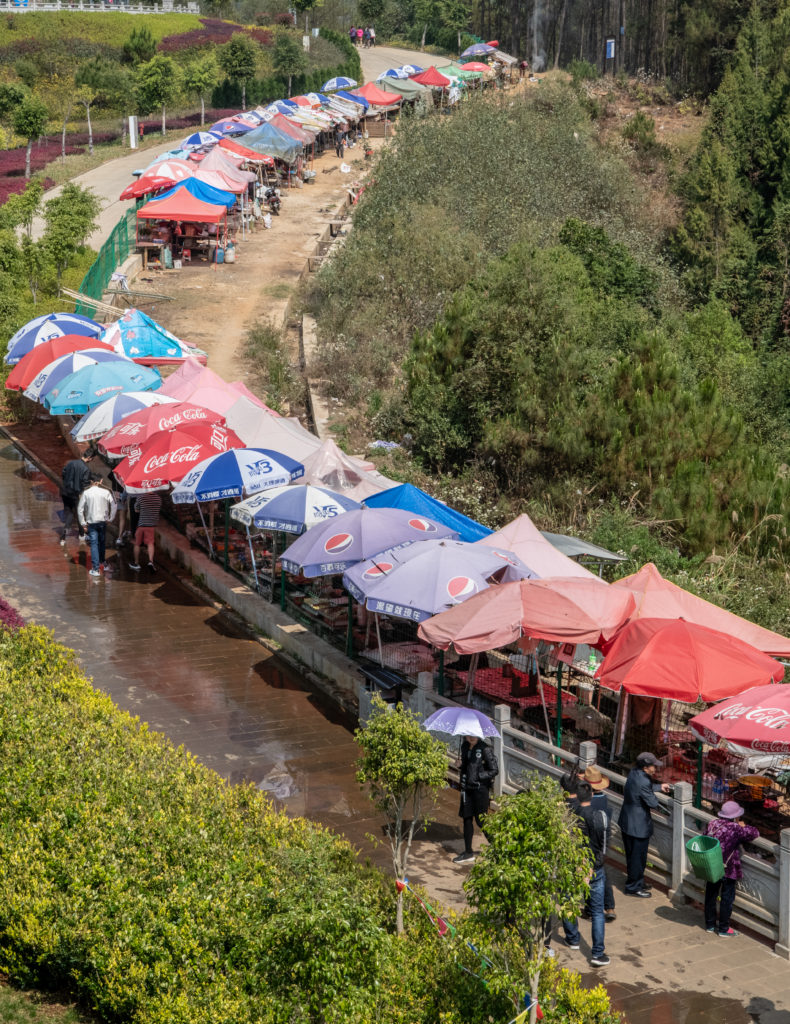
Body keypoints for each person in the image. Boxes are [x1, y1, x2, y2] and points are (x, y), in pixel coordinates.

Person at [563, 781, 610, 967]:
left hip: (573, 865)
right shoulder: (597, 816)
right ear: (591, 795)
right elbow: (601, 844)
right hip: (594, 868)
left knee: (568, 902)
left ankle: (572, 938)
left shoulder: (570, 816)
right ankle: (597, 953)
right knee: (597, 912)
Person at [618, 751, 671, 897]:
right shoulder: (644, 781)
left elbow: (643, 788)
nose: (655, 768)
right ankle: (633, 887)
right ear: (645, 767)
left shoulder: (634, 773)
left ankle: (637, 881)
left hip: (627, 821)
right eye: (653, 766)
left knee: (632, 856)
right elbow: (653, 802)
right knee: (637, 857)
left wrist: (659, 787)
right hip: (638, 826)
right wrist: (668, 813)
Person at [704, 801, 759, 937]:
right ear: (735, 817)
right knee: (727, 898)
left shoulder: (713, 824)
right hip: (727, 868)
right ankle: (723, 928)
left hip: (712, 864)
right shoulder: (735, 828)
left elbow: (705, 836)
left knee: (710, 894)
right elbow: (754, 833)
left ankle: (710, 924)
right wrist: (742, 825)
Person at [578, 765, 616, 920]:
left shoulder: (589, 803)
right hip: (602, 844)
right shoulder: (604, 799)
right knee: (603, 875)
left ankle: (591, 908)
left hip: (589, 845)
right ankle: (609, 907)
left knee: (589, 878)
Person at [454, 734, 498, 864]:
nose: (471, 738)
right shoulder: (465, 747)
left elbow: (494, 770)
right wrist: (460, 765)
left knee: (481, 820)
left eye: (474, 735)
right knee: (467, 819)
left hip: (480, 790)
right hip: (466, 788)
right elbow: (467, 766)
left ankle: (498, 847)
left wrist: (478, 776)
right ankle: (468, 852)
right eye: (468, 735)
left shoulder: (485, 749)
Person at [77, 474, 117, 578]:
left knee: (94, 544)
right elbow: (114, 505)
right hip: (103, 522)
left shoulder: (86, 493)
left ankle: (95, 568)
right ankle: (103, 562)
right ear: (101, 480)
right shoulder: (106, 492)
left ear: (91, 481)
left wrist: (83, 523)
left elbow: (80, 509)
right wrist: (110, 518)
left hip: (92, 522)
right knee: (102, 542)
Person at [60, 450, 93, 545]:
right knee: (79, 513)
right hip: (75, 494)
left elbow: (63, 473)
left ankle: (63, 536)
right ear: (89, 458)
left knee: (69, 514)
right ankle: (82, 535)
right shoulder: (86, 469)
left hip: (65, 492)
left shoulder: (71, 463)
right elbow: (85, 483)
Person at [129, 491, 162, 572]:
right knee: (150, 543)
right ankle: (151, 561)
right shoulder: (158, 498)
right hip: (152, 525)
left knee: (137, 543)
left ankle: (136, 563)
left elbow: (136, 510)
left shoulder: (140, 497)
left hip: (142, 524)